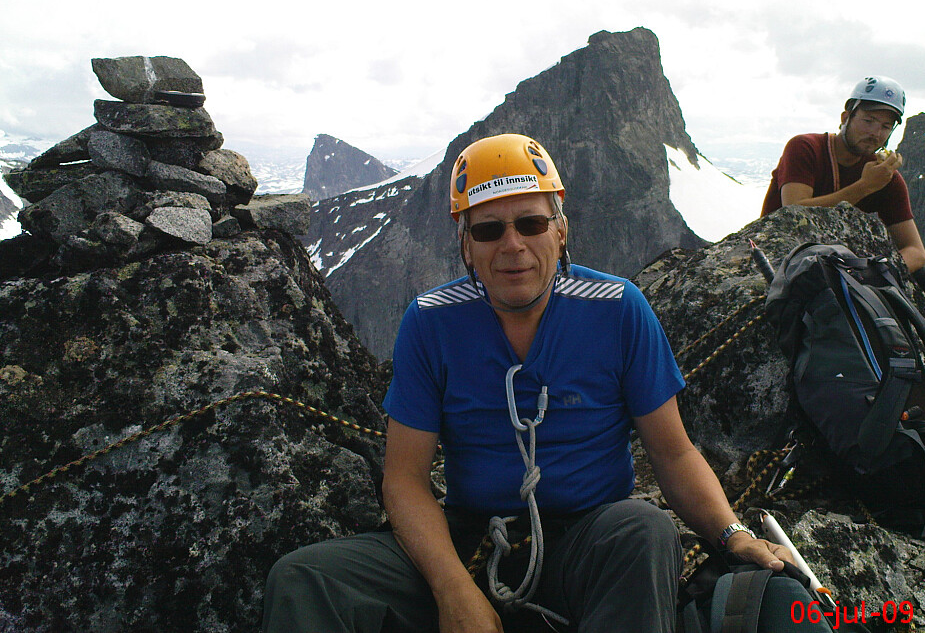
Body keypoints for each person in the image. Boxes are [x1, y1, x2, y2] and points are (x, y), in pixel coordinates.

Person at [263, 133, 793, 632]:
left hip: (587, 541)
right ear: (466, 246)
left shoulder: (618, 310)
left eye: (531, 224)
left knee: (644, 531)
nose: (512, 244)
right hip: (470, 540)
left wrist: (733, 535)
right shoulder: (431, 321)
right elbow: (404, 479)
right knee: (305, 578)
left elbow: (673, 455)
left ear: (561, 229)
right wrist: (454, 591)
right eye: (488, 230)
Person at [762, 75, 925, 417]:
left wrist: (876, 272)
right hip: (789, 265)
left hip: (854, 273)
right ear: (845, 117)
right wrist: (865, 187)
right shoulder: (805, 148)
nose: (876, 132)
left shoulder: (888, 180)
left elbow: (915, 251)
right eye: (868, 120)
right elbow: (795, 210)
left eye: (885, 126)